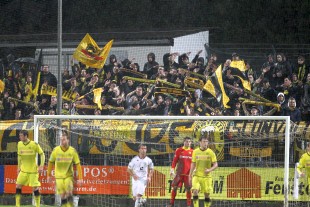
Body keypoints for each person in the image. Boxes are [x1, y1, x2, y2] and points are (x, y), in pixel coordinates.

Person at [47, 131, 83, 207]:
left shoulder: (72, 151)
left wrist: (80, 178)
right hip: (58, 177)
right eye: (61, 140)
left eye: (64, 140)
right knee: (63, 196)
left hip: (68, 176)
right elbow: (50, 163)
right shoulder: (56, 150)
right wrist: (48, 175)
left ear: (68, 140)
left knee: (69, 193)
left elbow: (78, 165)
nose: (62, 141)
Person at [16, 130, 45, 207]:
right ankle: (17, 205)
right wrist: (18, 167)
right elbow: (19, 156)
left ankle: (37, 205)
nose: (20, 137)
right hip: (23, 170)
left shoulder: (34, 144)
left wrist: (41, 165)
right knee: (18, 186)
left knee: (35, 188)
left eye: (21, 135)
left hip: (33, 171)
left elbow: (42, 154)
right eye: (19, 136)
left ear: (26, 136)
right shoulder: (19, 144)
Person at [189, 134, 218, 207]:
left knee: (207, 194)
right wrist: (190, 174)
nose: (205, 143)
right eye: (204, 141)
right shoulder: (195, 151)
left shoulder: (211, 152)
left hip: (206, 177)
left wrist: (209, 170)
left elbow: (215, 165)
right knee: (195, 191)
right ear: (200, 142)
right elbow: (193, 163)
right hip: (197, 175)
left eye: (207, 141)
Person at [168, 137, 193, 207]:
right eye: (186, 141)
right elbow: (174, 161)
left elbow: (194, 163)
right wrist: (172, 169)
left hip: (188, 174)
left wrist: (194, 170)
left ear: (191, 143)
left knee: (188, 189)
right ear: (184, 142)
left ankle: (188, 205)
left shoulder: (193, 152)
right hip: (179, 173)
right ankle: (171, 203)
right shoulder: (179, 150)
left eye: (189, 142)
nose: (188, 143)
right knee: (174, 187)